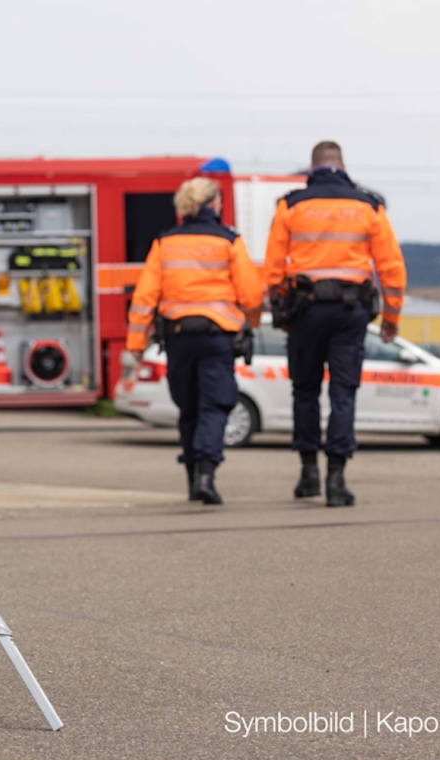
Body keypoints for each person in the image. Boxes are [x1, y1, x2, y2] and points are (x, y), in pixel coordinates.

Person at [264, 141, 406, 507]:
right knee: (343, 393)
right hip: (349, 312)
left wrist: (282, 312)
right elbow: (391, 268)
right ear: (343, 165)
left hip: (305, 312)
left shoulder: (290, 204)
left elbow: (274, 267)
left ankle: (308, 472)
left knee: (305, 391)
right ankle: (337, 479)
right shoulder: (368, 205)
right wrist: (391, 318)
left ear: (312, 166)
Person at [127, 178, 264, 504]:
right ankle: (205, 472)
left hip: (178, 338)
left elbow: (145, 295)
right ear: (212, 204)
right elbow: (251, 292)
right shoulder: (229, 240)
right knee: (214, 405)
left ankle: (192, 476)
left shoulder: (165, 242)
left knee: (187, 406)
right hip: (217, 337)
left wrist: (135, 341)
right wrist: (253, 321)